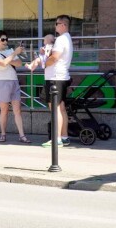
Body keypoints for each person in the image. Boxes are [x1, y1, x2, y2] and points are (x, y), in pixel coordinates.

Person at [0, 30, 31, 144]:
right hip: (2, 82)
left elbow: (19, 63)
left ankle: (22, 135)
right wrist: (12, 56)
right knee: (4, 110)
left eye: (6, 39)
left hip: (14, 81)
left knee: (17, 110)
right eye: (2, 39)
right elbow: (2, 64)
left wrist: (8, 59)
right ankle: (3, 134)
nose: (5, 41)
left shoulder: (10, 50)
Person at [42, 15, 73, 147]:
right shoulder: (68, 38)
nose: (55, 26)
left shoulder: (61, 39)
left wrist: (44, 61)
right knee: (61, 108)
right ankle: (64, 136)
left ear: (63, 25)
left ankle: (57, 138)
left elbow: (54, 57)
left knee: (55, 109)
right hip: (62, 76)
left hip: (55, 77)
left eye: (56, 23)